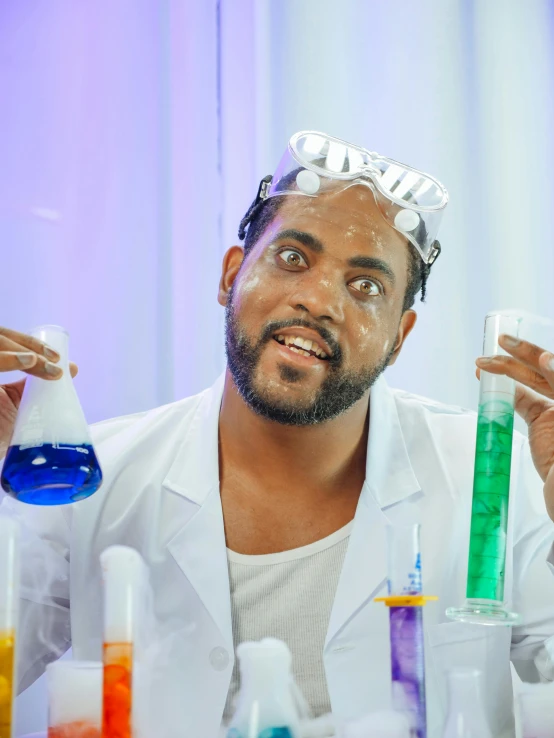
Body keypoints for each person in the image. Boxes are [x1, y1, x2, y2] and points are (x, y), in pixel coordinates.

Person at [1, 132, 554, 738]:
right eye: (293, 256)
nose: (319, 300)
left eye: (366, 286)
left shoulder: (498, 482)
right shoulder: (86, 481)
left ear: (400, 337)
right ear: (231, 276)